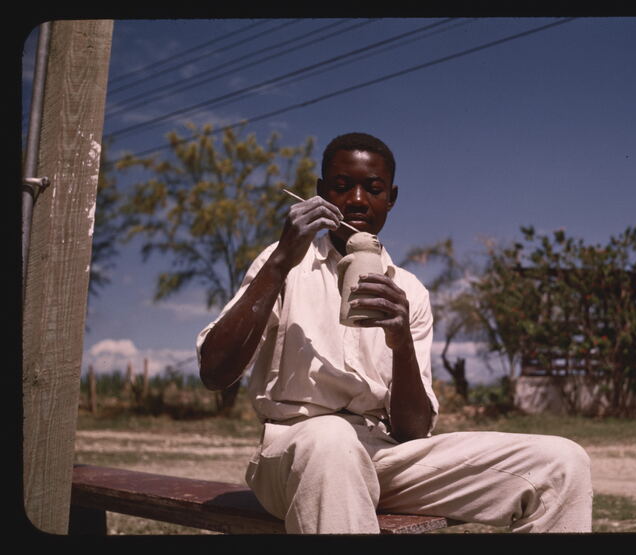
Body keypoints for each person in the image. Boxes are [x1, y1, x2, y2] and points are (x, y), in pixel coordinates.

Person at [196, 132, 593, 534]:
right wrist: (282, 259)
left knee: (562, 463)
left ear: (391, 198)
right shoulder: (283, 262)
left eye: (373, 189)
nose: (356, 200)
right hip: (295, 453)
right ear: (319, 192)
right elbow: (214, 372)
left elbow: (412, 432)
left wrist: (401, 343)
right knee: (332, 439)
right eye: (341, 186)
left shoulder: (410, 291)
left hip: (383, 457)